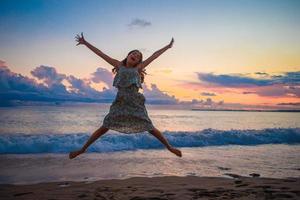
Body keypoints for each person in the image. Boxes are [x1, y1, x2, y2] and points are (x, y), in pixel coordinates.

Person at [69, 33, 182, 159]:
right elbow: (100, 53)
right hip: (120, 102)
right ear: (128, 55)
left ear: (139, 61)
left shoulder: (139, 68)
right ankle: (82, 149)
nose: (135, 55)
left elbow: (154, 56)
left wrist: (167, 46)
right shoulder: (118, 65)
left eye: (138, 56)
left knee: (150, 128)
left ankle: (170, 147)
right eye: (133, 53)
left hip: (135, 102)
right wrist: (85, 43)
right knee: (104, 127)